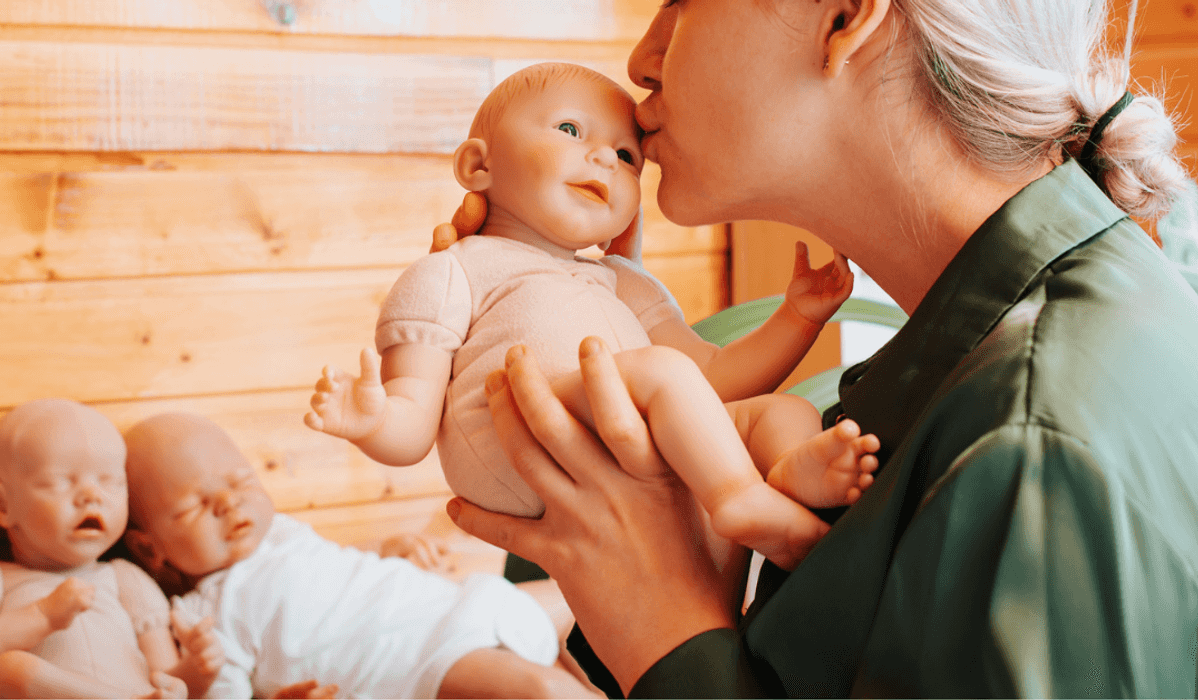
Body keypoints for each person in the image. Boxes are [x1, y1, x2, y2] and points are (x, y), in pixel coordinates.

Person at [435, 0, 1198, 697]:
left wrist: (668, 635)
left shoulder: (1029, 442)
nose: (641, 58)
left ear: (843, 18)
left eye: (679, 1)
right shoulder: (1006, 357)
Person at [304, 61, 879, 570]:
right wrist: (373, 423)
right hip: (519, 443)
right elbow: (412, 426)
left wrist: (797, 319)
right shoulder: (457, 268)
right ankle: (737, 500)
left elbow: (714, 378)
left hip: (643, 441)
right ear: (480, 165)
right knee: (662, 373)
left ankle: (787, 472)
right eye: (570, 130)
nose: (604, 156)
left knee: (785, 409)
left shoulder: (624, 279)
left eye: (627, 155)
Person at [122, 411, 602, 700]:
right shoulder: (204, 620)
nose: (229, 503)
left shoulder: (284, 534)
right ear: (151, 548)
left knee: (584, 593)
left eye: (240, 482)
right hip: (417, 663)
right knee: (542, 691)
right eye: (194, 507)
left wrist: (391, 554)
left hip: (457, 605)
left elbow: (334, 575)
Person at [0, 398, 222, 699]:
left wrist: (196, 671)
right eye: (62, 481)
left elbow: (164, 677)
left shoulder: (124, 578)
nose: (92, 496)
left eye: (110, 482)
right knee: (11, 670)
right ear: (2, 504)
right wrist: (43, 616)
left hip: (140, 693)